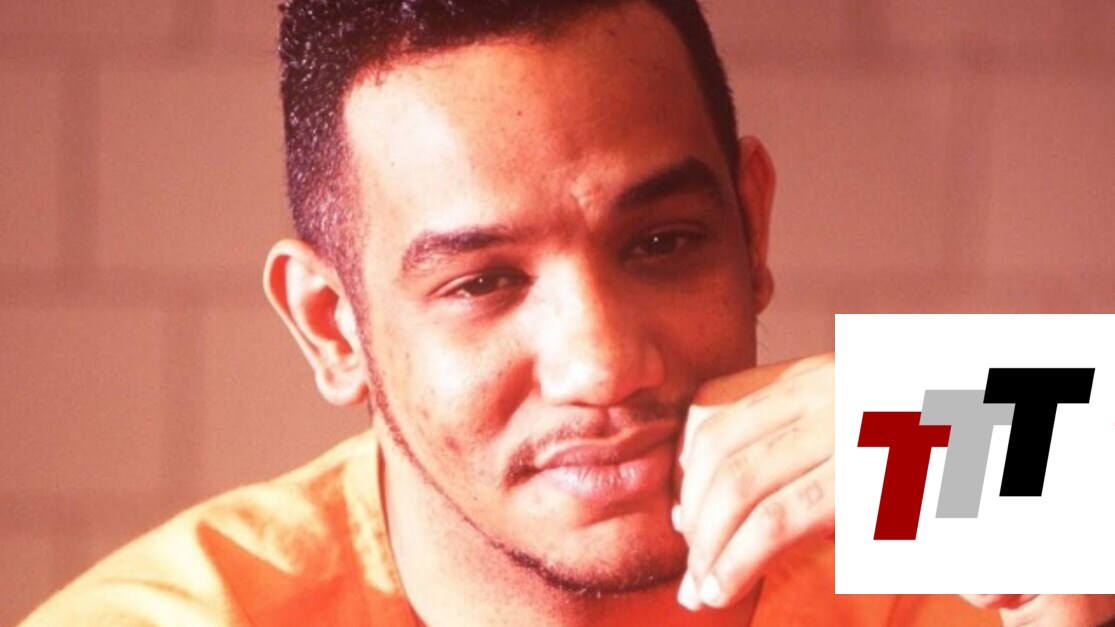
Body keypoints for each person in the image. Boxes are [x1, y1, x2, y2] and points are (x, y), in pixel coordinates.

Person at [19, 1, 1115, 625]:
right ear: (331, 326)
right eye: (480, 283)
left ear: (751, 227)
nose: (603, 363)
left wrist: (1053, 456)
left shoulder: (973, 550)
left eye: (662, 243)